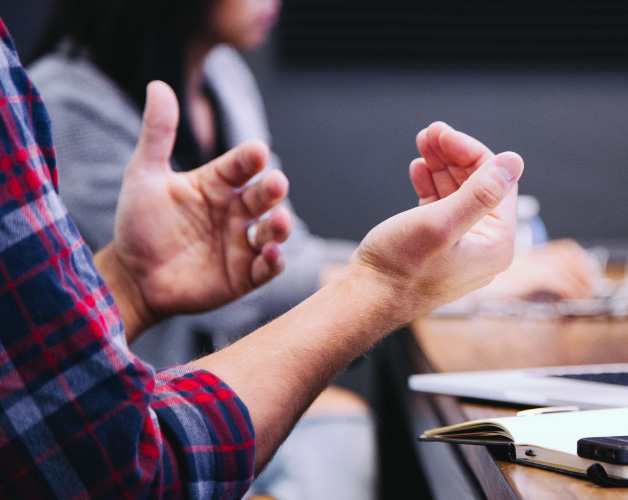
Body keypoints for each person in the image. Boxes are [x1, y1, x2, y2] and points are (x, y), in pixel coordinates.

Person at [0, 16, 524, 499]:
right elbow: (118, 468)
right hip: (164, 424)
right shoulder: (67, 100)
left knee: (344, 433)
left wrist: (133, 284)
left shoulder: (223, 75)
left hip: (192, 406)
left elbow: (283, 253)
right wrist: (394, 282)